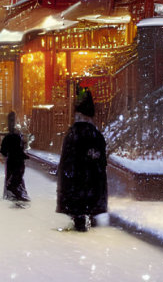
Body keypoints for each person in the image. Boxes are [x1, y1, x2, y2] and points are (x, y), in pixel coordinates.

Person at [56, 86, 107, 232]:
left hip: (77, 180)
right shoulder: (95, 135)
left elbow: (67, 159)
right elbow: (101, 160)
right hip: (91, 180)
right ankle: (89, 216)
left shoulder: (73, 135)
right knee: (87, 200)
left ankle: (79, 219)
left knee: (78, 205)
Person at [0, 111, 29, 204]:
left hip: (12, 160)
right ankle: (18, 193)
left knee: (11, 177)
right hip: (19, 160)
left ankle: (11, 194)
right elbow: (24, 147)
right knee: (18, 177)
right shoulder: (20, 136)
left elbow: (3, 151)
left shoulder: (8, 137)